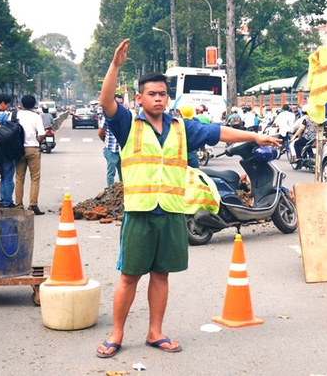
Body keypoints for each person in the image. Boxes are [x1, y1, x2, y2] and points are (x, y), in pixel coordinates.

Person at [95, 39, 280, 359]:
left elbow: (219, 133)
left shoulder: (182, 127)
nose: (157, 98)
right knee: (128, 276)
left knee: (161, 274)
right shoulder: (127, 124)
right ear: (139, 98)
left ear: (168, 98)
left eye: (162, 93)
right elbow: (106, 99)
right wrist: (115, 66)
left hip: (171, 211)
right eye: (151, 93)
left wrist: (252, 136)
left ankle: (155, 332)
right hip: (139, 213)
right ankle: (116, 334)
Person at [15, 95, 46, 215]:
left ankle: (18, 206)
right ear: (34, 105)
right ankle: (33, 205)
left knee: (19, 178)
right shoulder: (36, 116)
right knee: (35, 178)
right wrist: (36, 140)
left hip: (18, 149)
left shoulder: (15, 115)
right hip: (33, 148)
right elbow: (42, 133)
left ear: (22, 104)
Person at [98, 94, 124, 186]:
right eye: (118, 103)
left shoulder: (126, 116)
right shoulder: (107, 116)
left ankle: (123, 193)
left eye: (121, 103)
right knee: (111, 173)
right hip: (111, 149)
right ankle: (110, 193)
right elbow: (101, 132)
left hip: (123, 150)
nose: (120, 105)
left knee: (123, 174)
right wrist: (107, 143)